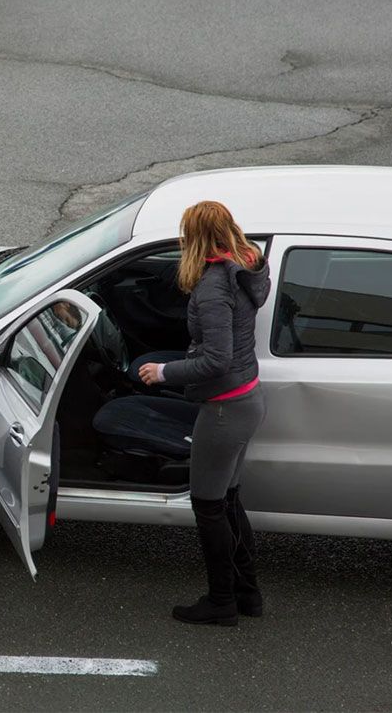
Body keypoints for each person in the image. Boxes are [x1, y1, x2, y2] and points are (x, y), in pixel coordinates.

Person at [137, 200, 271, 626]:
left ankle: (221, 602)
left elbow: (215, 359)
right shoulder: (245, 268)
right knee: (229, 502)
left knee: (208, 505)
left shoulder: (214, 286)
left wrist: (163, 372)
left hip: (223, 410)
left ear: (194, 237)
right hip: (246, 400)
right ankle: (247, 595)